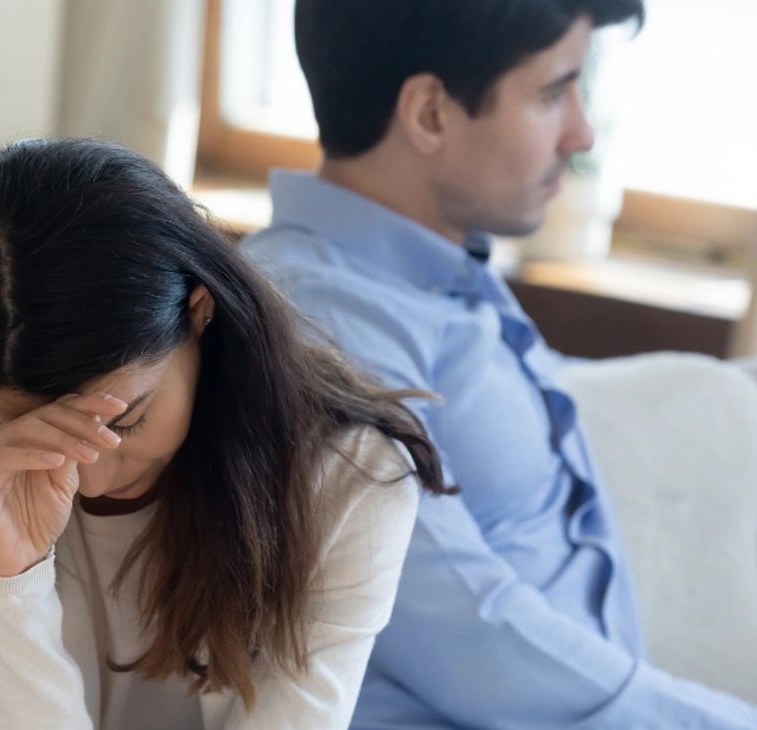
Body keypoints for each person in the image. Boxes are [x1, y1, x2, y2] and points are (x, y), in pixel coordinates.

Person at [0, 138, 450, 729]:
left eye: (124, 420)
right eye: (20, 427)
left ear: (200, 312)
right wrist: (7, 578)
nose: (87, 474)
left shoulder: (344, 479)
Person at [241, 1, 757, 727]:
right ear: (428, 113)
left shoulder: (434, 273)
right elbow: (469, 632)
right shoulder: (313, 319)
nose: (579, 133)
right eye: (551, 93)